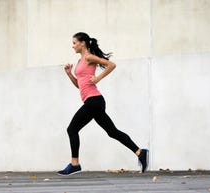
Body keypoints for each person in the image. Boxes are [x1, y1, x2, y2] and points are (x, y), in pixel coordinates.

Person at [58, 32, 149, 176]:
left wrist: (98, 78)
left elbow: (111, 65)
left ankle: (74, 164)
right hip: (93, 101)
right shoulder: (81, 61)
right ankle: (140, 152)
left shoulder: (88, 57)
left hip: (94, 101)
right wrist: (69, 74)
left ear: (82, 43)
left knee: (72, 129)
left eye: (74, 43)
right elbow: (79, 86)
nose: (72, 46)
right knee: (112, 132)